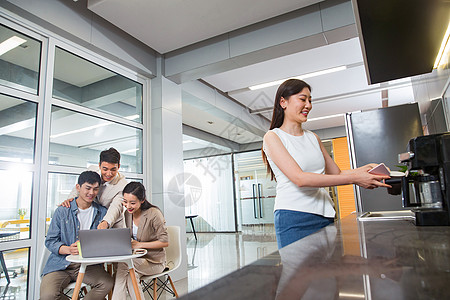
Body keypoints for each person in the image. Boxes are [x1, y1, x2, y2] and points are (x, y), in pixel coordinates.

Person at [262, 79, 390, 249]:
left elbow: (335, 174)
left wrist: (366, 170)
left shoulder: (312, 137)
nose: (308, 105)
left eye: (310, 100)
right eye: (302, 99)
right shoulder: (273, 137)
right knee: (302, 275)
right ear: (283, 102)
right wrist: (356, 179)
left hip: (325, 214)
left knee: (326, 274)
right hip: (294, 217)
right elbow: (300, 178)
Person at [40, 171, 113, 300]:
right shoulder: (62, 211)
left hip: (88, 265)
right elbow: (50, 241)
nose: (91, 193)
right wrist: (67, 249)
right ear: (78, 187)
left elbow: (106, 241)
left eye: (96, 189)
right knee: (48, 296)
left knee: (107, 283)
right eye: (88, 188)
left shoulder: (102, 213)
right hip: (60, 264)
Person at [111, 182, 169, 300]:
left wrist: (139, 245)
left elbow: (165, 242)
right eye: (125, 202)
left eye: (132, 203)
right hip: (138, 260)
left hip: (154, 261)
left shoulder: (154, 213)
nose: (128, 206)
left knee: (124, 265)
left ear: (142, 200)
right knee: (130, 277)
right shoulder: (127, 214)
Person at [62, 147, 128, 229]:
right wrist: (70, 200)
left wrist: (106, 222)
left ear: (118, 167)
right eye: (105, 169)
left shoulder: (123, 185)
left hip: (112, 222)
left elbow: (116, 207)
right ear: (99, 165)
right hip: (93, 216)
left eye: (113, 169)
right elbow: (80, 187)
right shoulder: (92, 170)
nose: (109, 174)